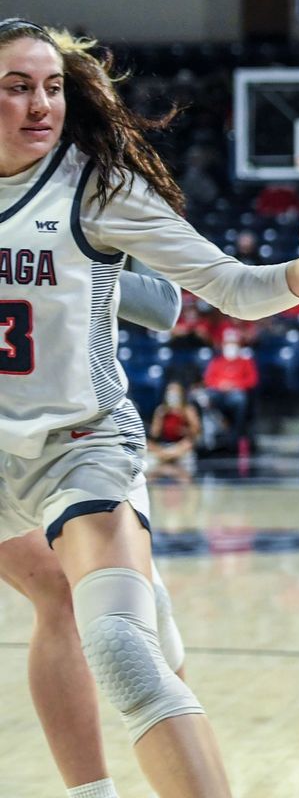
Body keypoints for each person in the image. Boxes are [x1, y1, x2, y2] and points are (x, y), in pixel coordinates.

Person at [0, 19, 299, 797]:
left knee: (120, 648)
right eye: (16, 87)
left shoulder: (94, 186)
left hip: (81, 444)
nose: (41, 104)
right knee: (54, 599)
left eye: (50, 87)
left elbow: (232, 289)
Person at [0, 263, 189, 798]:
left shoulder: (109, 183)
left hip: (75, 432)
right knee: (56, 592)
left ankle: (182, 741)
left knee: (138, 616)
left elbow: (162, 305)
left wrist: (48, 261)